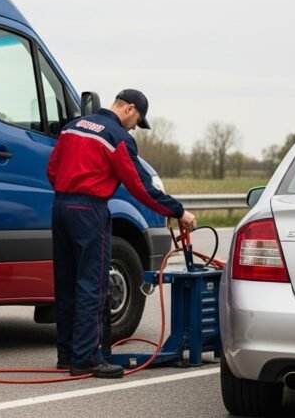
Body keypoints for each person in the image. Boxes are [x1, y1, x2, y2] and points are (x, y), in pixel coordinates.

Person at [46, 89, 196, 378]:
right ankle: (88, 359)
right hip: (89, 211)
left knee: (66, 282)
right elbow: (141, 186)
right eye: (137, 121)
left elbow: (52, 169)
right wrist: (178, 211)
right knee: (92, 284)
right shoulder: (117, 137)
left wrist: (69, 191)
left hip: (61, 207)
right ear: (129, 109)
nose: (134, 128)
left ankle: (66, 355)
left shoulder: (72, 127)